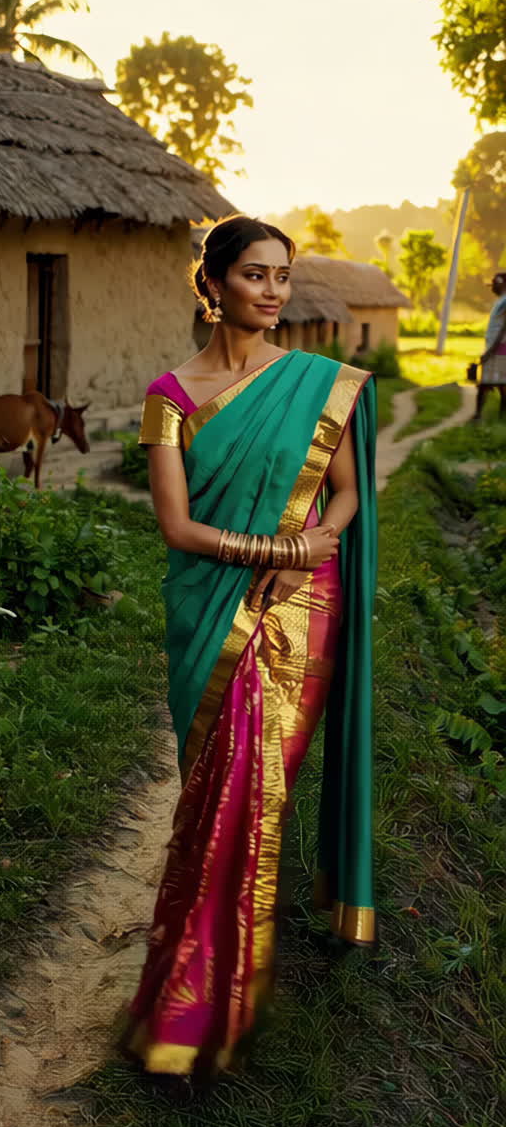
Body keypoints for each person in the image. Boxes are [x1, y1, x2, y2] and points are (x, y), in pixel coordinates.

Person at [122, 214, 377, 1080]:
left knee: (255, 794)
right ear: (215, 283)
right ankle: (194, 991)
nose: (273, 293)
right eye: (256, 276)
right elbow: (176, 526)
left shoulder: (314, 382)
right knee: (213, 790)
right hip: (211, 603)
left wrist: (310, 552)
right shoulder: (171, 395)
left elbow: (343, 499)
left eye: (281, 277)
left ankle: (209, 1000)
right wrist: (274, 553)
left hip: (302, 606)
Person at [475, 272, 506, 420]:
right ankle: (499, 417)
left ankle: (478, 415)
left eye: (495, 284)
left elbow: (503, 329)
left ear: (503, 284)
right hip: (495, 348)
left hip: (499, 349)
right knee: (500, 384)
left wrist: (490, 351)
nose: (492, 287)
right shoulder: (500, 301)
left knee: (486, 384)